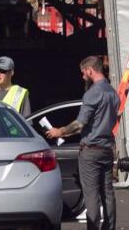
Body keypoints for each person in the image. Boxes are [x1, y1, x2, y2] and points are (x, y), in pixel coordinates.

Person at [45, 56, 120, 230]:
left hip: (91, 149)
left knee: (91, 195)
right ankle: (109, 227)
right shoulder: (112, 93)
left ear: (90, 70)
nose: (82, 77)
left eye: (83, 73)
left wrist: (60, 131)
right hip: (107, 148)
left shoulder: (92, 93)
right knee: (107, 192)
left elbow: (79, 124)